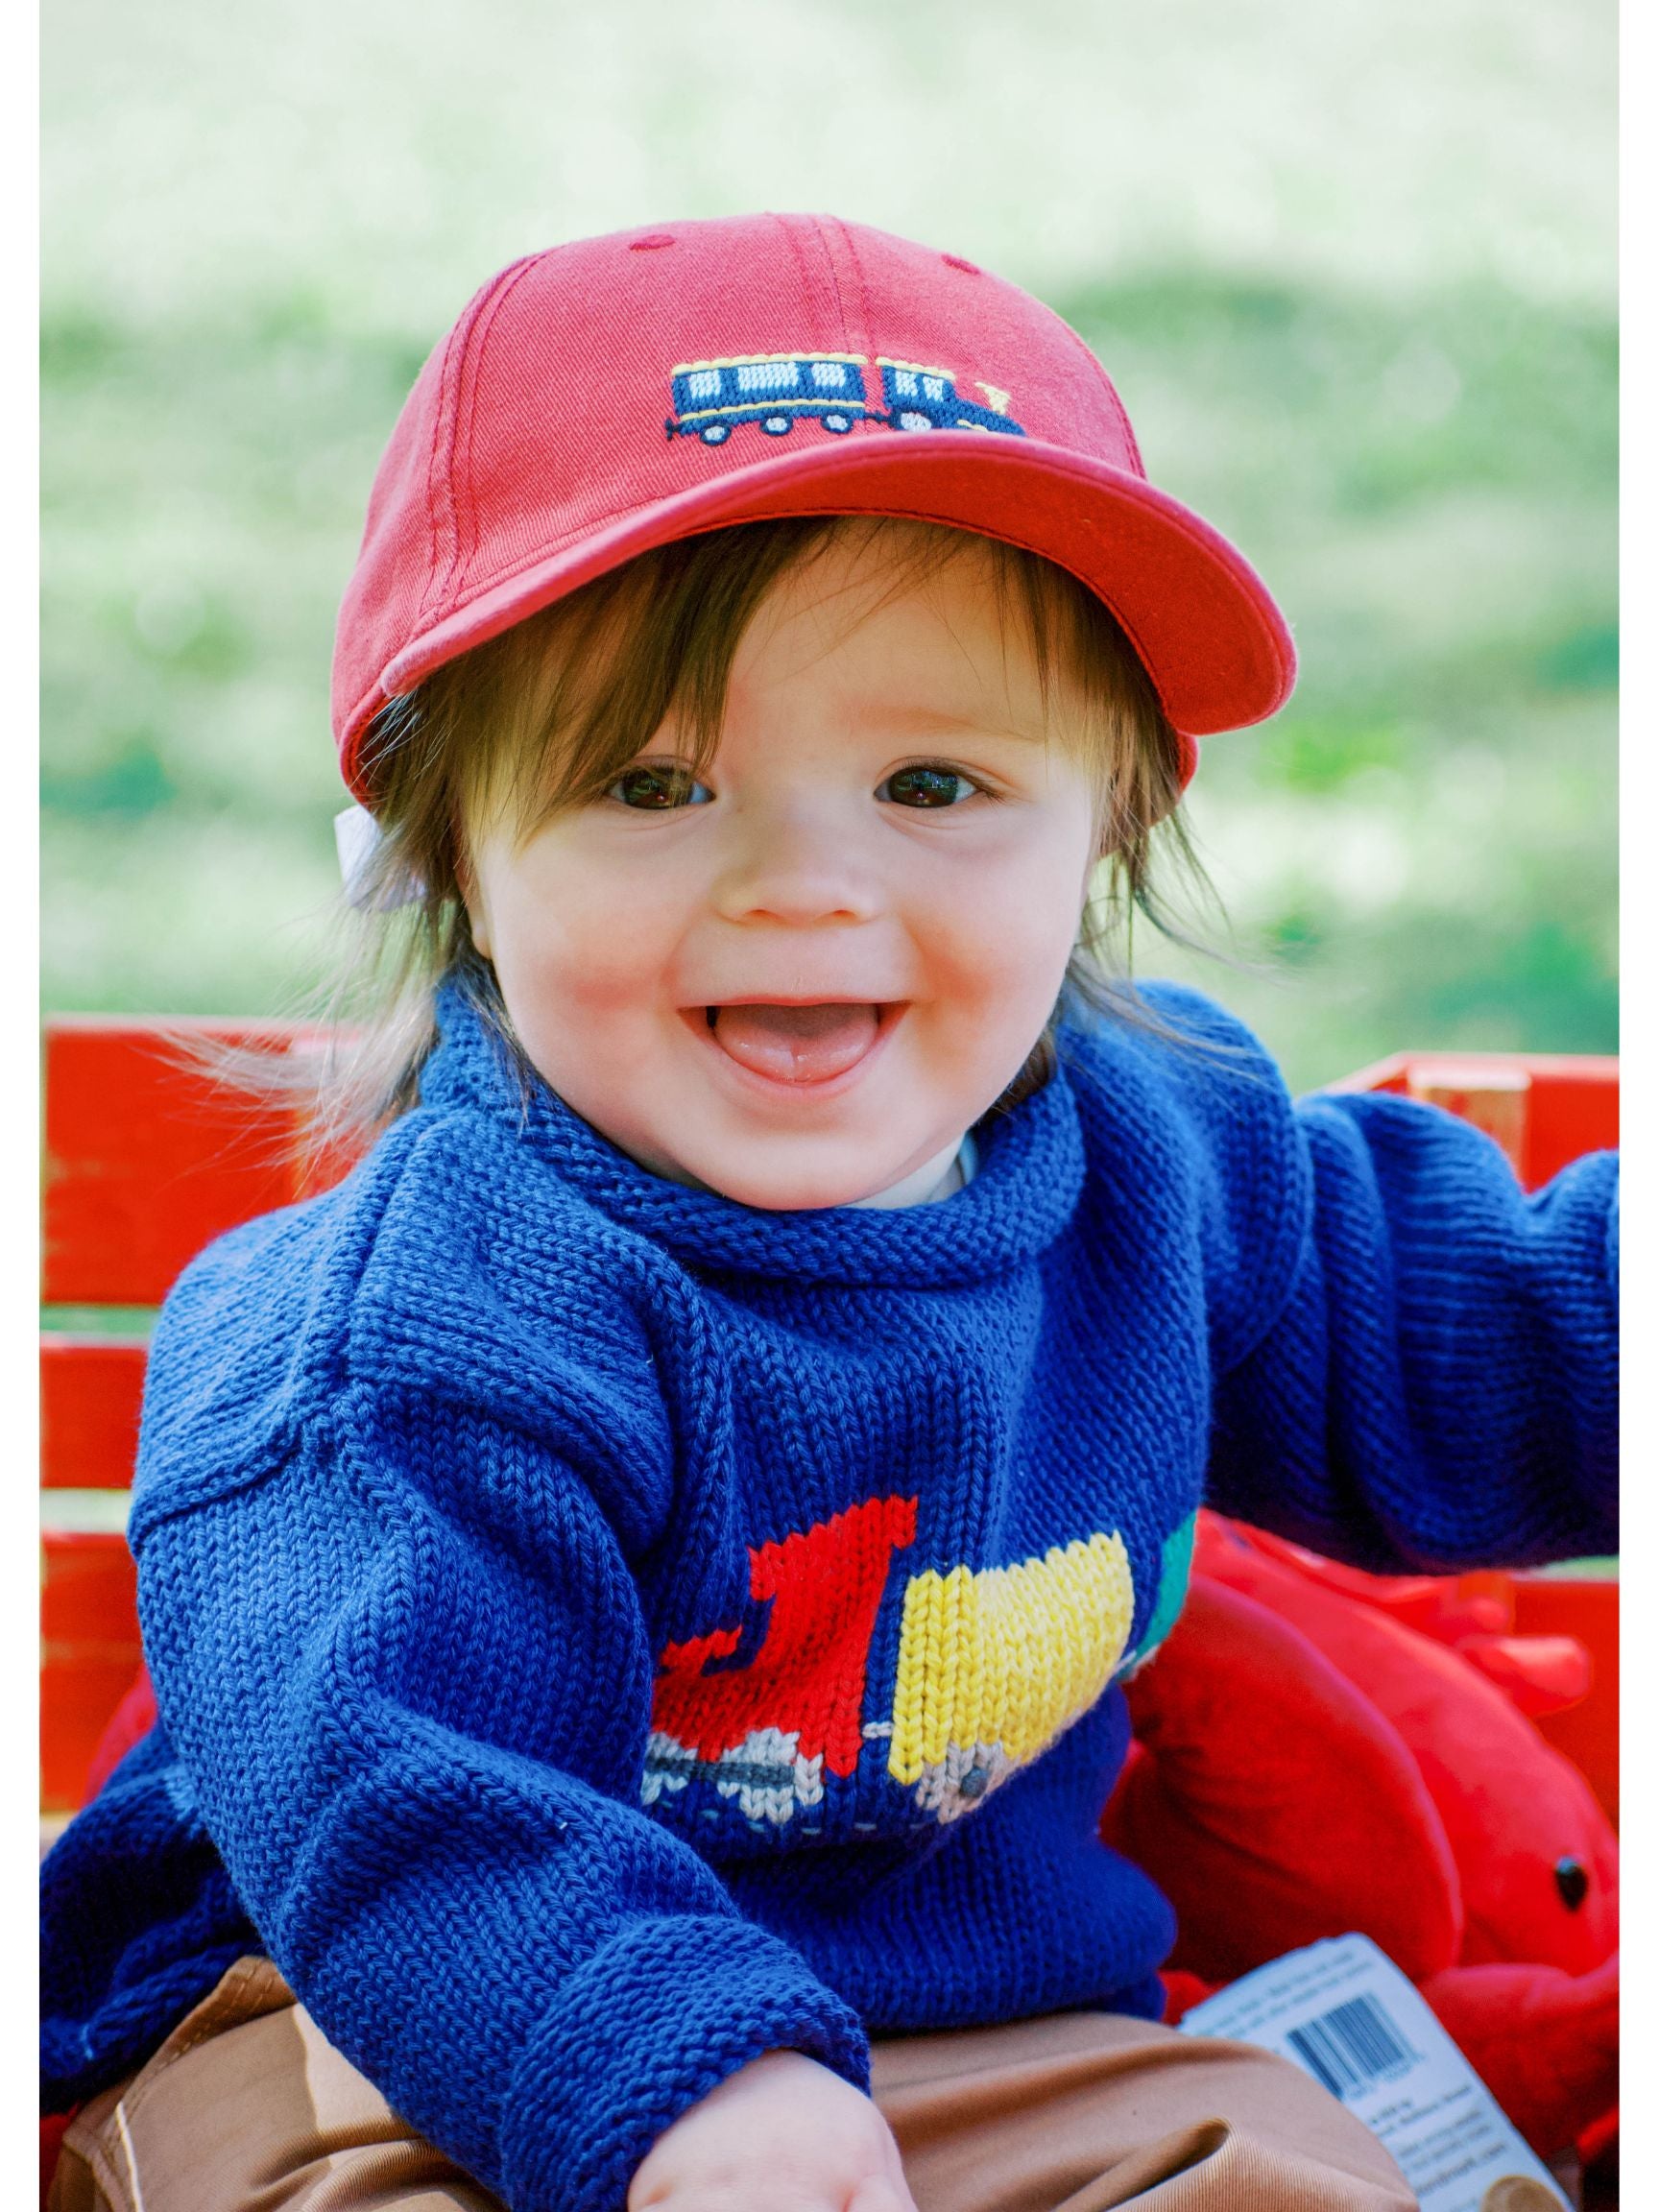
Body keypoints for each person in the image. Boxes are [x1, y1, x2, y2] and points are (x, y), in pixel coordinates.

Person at [41, 214, 1617, 2212]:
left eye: (938, 784)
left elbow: (1497, 1343)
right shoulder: (407, 1336)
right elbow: (398, 1802)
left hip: (984, 2037)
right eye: (652, 782)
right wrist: (688, 2087)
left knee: (1276, 2177)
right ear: (445, 848)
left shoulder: (1162, 1165)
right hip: (387, 2022)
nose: (802, 884)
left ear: (1109, 817)